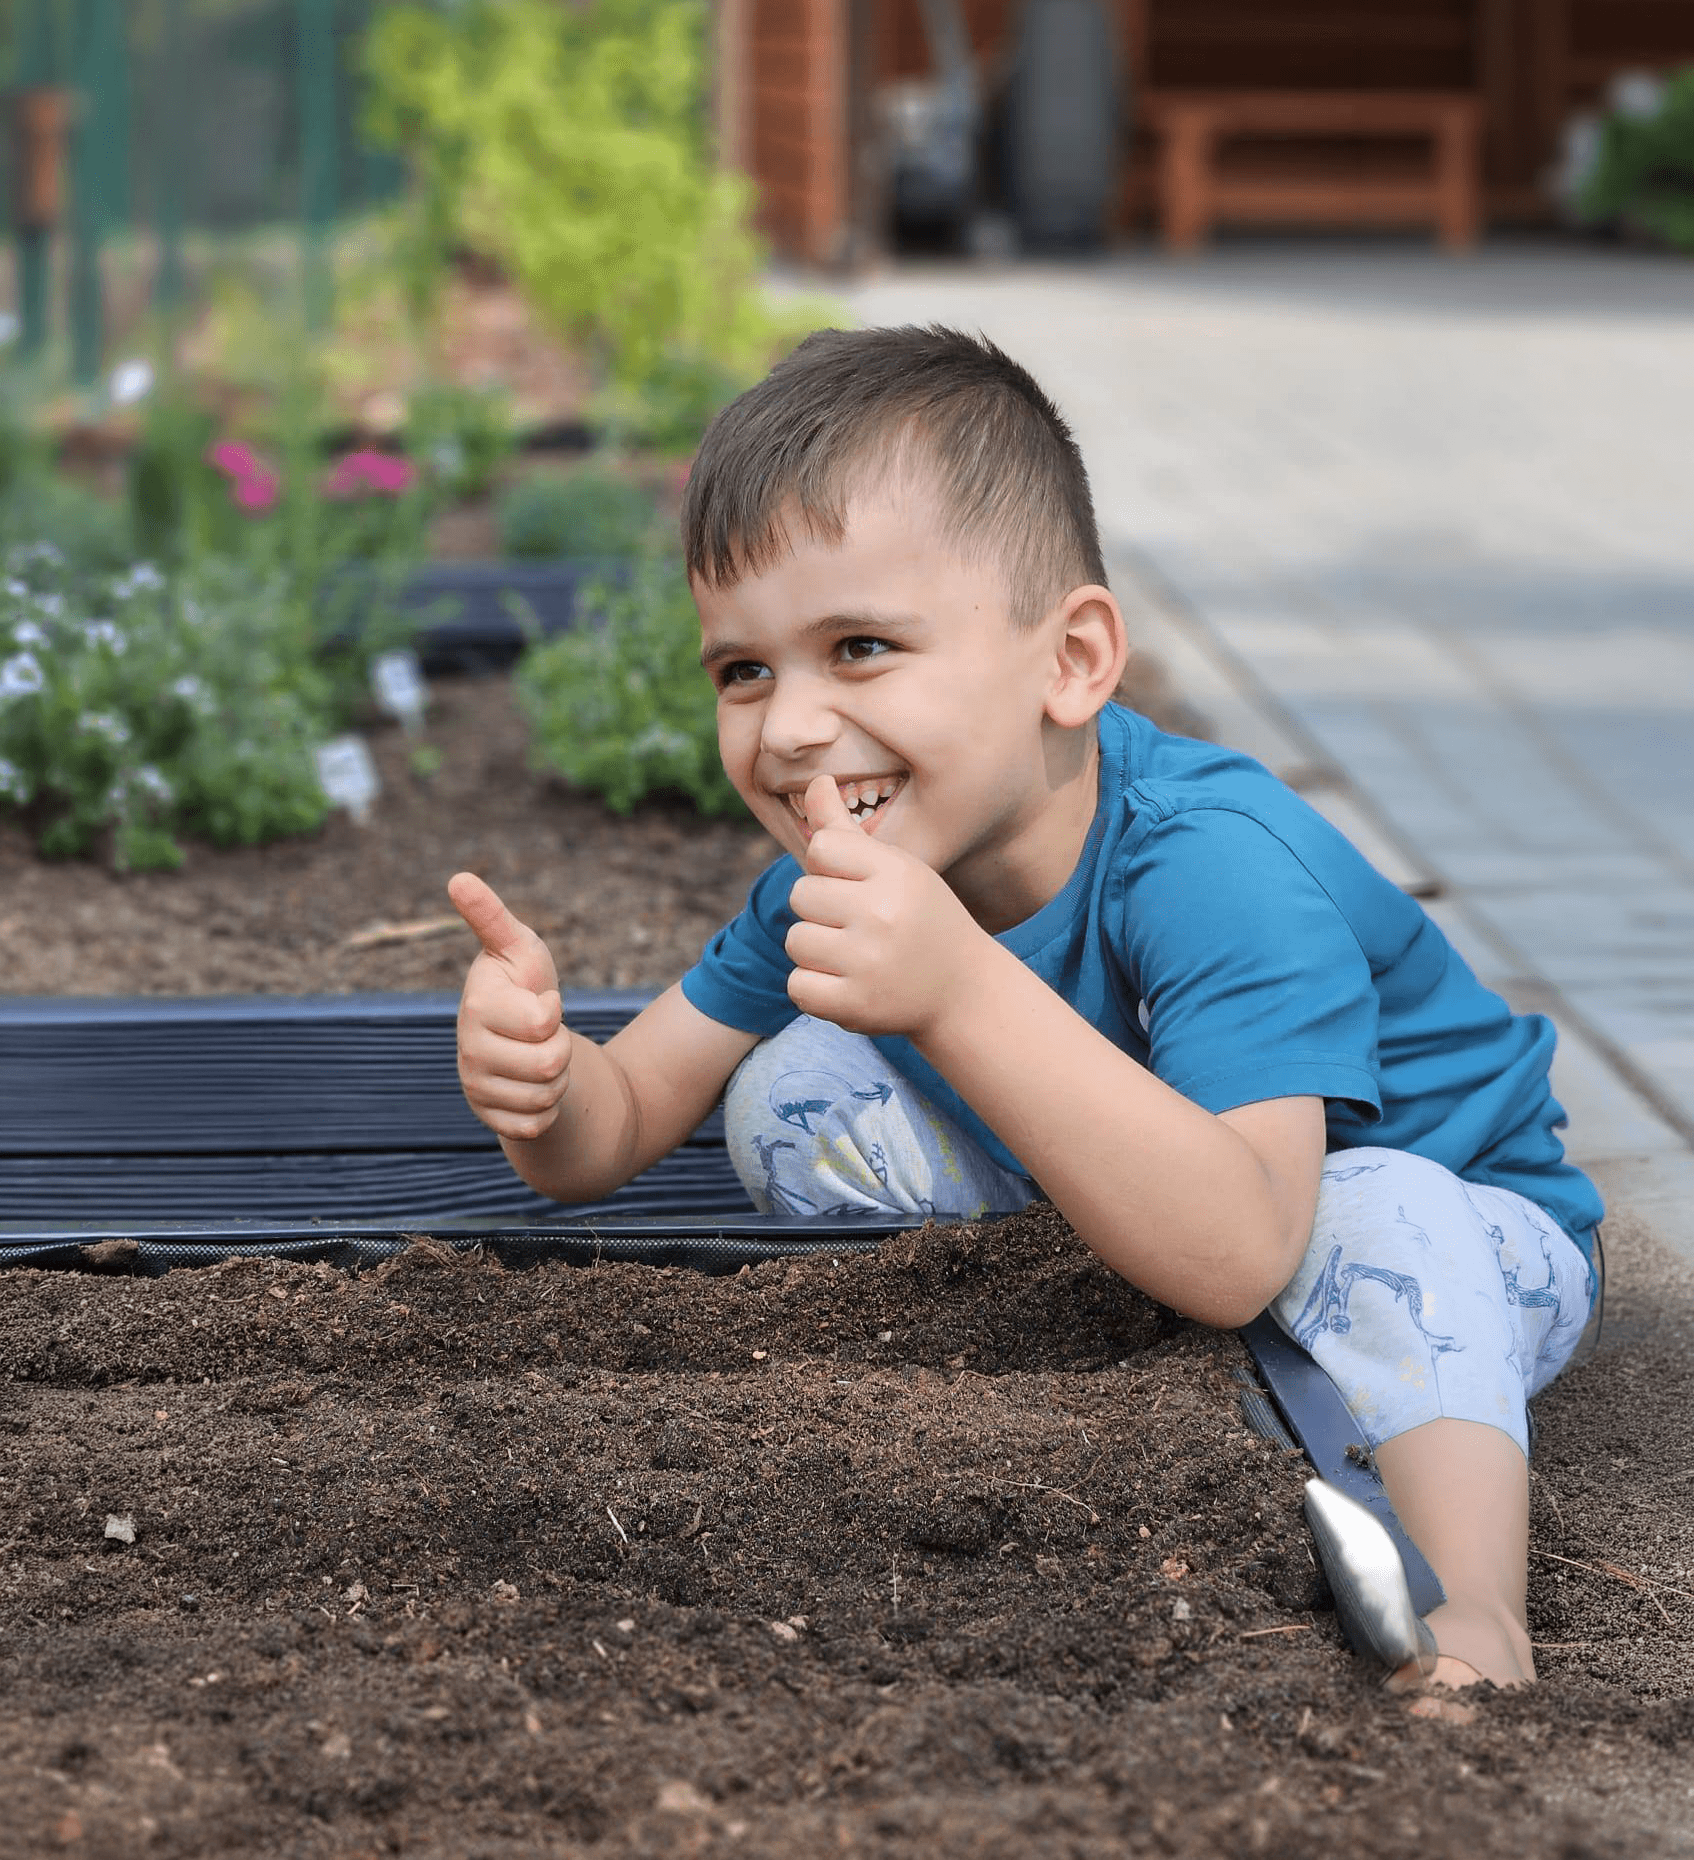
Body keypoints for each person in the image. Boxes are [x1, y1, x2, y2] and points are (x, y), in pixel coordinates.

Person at [448, 324, 1603, 1693]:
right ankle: (1089, 1358)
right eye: (742, 669)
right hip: (1161, 1222)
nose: (791, 726)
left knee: (1380, 1209)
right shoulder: (840, 875)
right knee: (795, 1088)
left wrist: (952, 984)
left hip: (1444, 1242)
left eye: (859, 646)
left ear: (1070, 660)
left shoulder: (1210, 860)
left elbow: (1246, 1246)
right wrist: (546, 1081)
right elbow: (626, 1116)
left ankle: (1471, 1614)